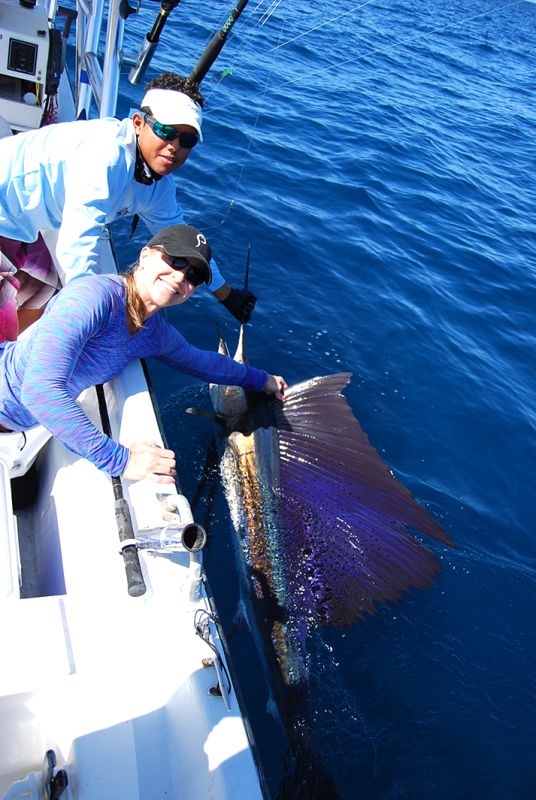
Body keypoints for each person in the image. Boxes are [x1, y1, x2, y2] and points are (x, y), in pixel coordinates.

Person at [0, 224, 286, 483]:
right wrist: (120, 460)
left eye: (193, 275)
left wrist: (260, 379)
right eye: (175, 261)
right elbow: (39, 391)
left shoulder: (153, 332)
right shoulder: (92, 298)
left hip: (22, 424)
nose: (180, 276)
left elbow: (203, 362)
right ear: (146, 255)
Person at [0, 72, 256, 342]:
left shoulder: (158, 188)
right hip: (6, 215)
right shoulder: (106, 155)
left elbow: (187, 245)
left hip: (20, 225)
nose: (174, 147)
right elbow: (77, 247)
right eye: (166, 131)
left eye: (187, 140)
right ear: (138, 123)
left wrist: (228, 296)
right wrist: (91, 318)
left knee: (43, 288)